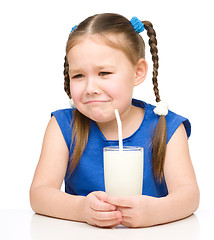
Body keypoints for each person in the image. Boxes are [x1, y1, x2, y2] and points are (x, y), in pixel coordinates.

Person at [30, 13, 199, 228]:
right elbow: (39, 194)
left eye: (104, 73)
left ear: (138, 72)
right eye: (78, 76)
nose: (90, 88)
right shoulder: (64, 126)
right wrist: (81, 209)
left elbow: (189, 195)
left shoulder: (167, 127)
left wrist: (154, 212)